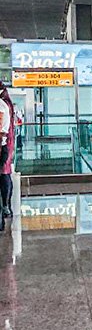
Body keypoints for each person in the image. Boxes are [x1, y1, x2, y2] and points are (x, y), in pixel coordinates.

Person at [0, 82, 15, 224]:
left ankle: (6, 206)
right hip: (6, 142)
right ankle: (6, 205)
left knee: (4, 172)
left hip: (4, 142)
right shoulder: (6, 103)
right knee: (5, 173)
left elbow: (3, 127)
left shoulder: (3, 105)